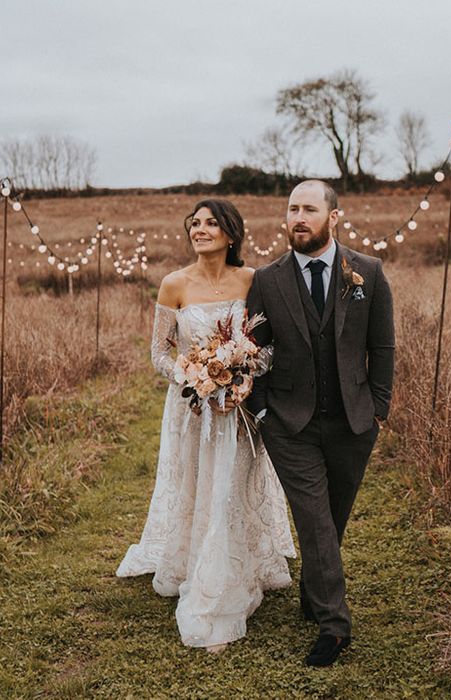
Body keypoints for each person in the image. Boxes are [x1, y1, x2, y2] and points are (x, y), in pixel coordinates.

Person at [116, 199, 296, 653]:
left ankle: (232, 568)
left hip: (240, 409)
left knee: (232, 487)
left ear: (231, 233)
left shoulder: (253, 281)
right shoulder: (174, 284)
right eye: (194, 223)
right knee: (197, 484)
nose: (200, 229)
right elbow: (160, 352)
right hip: (192, 411)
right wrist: (195, 376)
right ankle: (193, 565)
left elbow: (270, 346)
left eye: (211, 223)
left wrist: (244, 372)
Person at [246, 180, 395, 667]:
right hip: (290, 424)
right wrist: (262, 409)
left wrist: (377, 407)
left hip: (354, 420)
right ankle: (335, 625)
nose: (299, 218)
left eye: (309, 209)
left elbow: (383, 347)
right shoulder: (268, 279)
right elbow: (255, 350)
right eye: (292, 209)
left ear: (334, 217)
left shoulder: (367, 273)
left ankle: (315, 591)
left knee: (332, 519)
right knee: (313, 518)